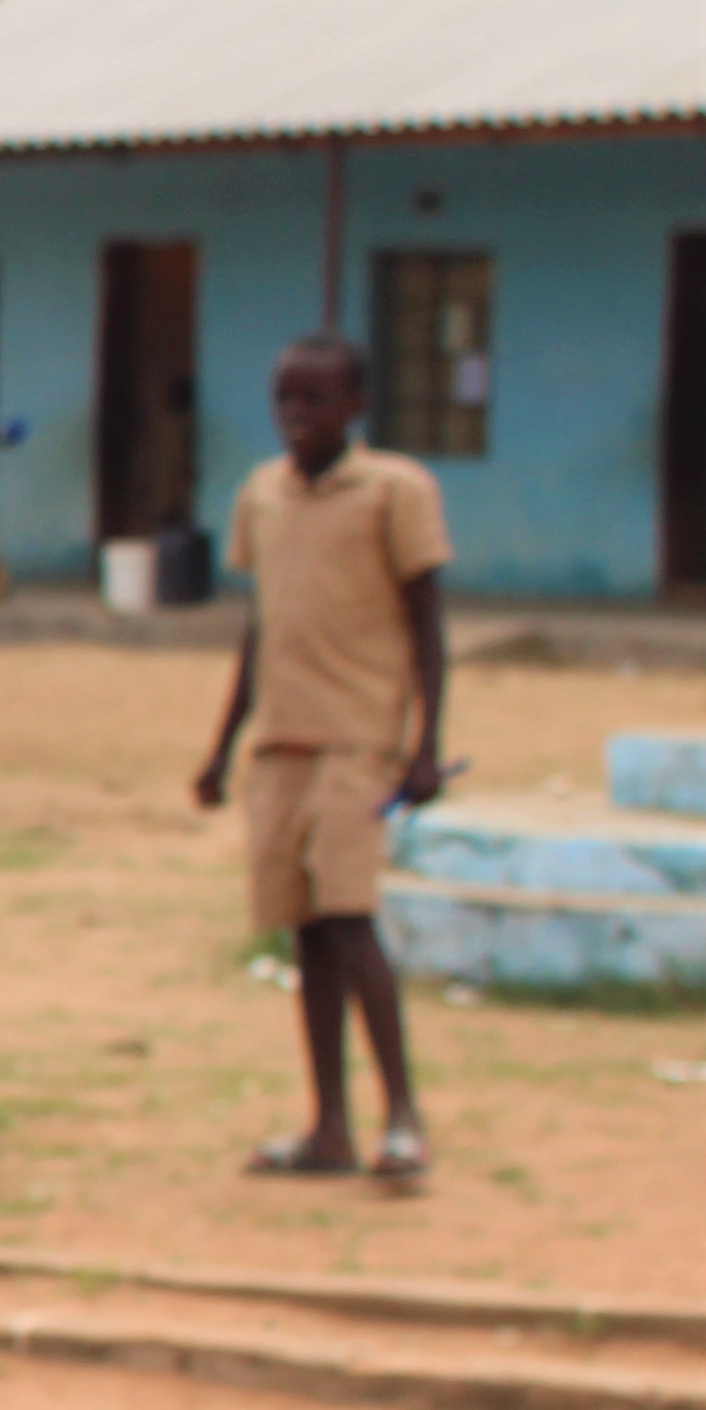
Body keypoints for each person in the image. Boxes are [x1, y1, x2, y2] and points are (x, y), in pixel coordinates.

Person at [193, 332, 449, 1185]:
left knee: (349, 915)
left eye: (316, 400)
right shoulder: (261, 496)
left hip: (358, 740)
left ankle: (402, 1118)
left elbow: (427, 625)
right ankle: (328, 1128)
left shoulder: (394, 492)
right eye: (285, 400)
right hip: (280, 744)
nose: (298, 416)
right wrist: (221, 747)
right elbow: (261, 626)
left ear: (356, 406)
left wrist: (424, 749)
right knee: (304, 931)